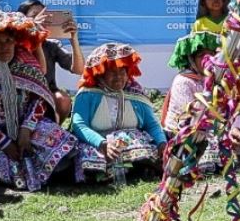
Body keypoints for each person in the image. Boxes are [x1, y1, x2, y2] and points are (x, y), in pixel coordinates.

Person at [0, 11, 79, 190]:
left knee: (61, 140)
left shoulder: (27, 67)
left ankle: (58, 168)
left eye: (8, 41)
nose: (4, 47)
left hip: (25, 128)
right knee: (14, 168)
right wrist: (5, 144)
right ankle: (44, 171)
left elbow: (39, 100)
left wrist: (26, 129)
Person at [70, 40, 167, 182]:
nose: (119, 77)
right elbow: (79, 125)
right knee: (89, 157)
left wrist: (162, 143)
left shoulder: (136, 95)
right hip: (98, 143)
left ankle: (138, 167)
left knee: (142, 142)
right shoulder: (87, 94)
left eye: (122, 72)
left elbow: (151, 124)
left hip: (130, 141)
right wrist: (103, 144)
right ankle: (115, 172)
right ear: (100, 73)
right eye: (112, 73)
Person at [162, 30, 223, 174]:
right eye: (202, 55)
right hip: (185, 129)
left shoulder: (217, 79)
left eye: (212, 55)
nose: (208, 59)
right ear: (192, 60)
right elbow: (192, 115)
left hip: (209, 126)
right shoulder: (183, 81)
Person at [19, 0, 82, 117]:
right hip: (21, 90)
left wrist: (74, 40)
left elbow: (78, 70)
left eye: (44, 15)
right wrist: (32, 32)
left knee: (62, 100)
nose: (41, 20)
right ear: (22, 20)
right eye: (34, 16)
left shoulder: (51, 44)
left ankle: (56, 129)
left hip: (47, 91)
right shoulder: (14, 43)